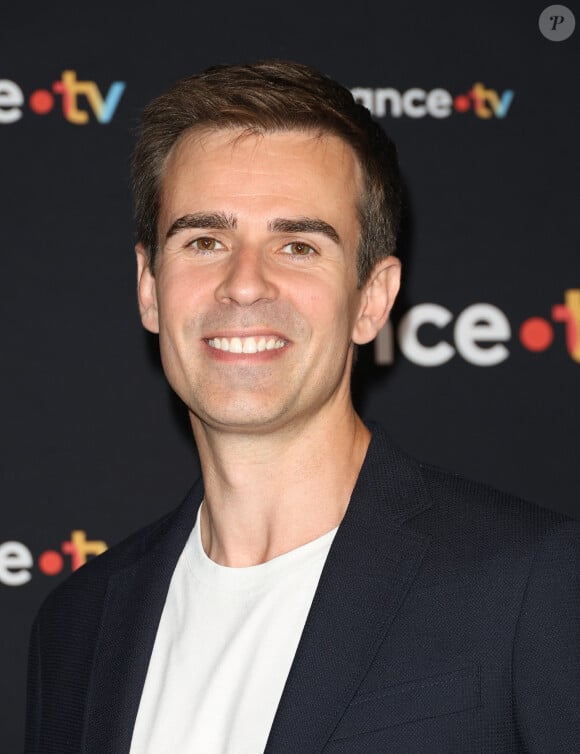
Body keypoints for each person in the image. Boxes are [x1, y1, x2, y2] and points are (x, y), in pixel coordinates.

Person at [25, 60, 580, 754]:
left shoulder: (531, 585)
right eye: (205, 241)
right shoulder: (76, 626)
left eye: (296, 245)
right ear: (148, 286)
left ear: (372, 299)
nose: (245, 284)